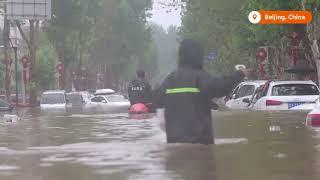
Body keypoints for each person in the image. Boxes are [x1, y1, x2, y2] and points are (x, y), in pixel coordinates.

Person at [153, 39, 250, 144]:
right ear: (199, 57)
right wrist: (240, 74)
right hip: (201, 144)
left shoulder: (168, 80)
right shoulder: (200, 77)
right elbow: (221, 87)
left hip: (174, 145)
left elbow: (161, 121)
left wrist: (175, 133)